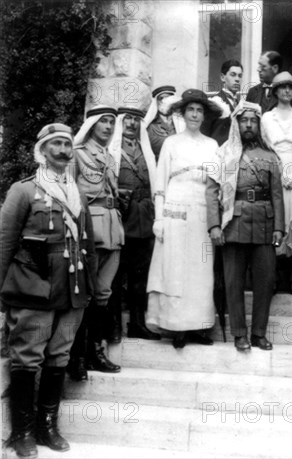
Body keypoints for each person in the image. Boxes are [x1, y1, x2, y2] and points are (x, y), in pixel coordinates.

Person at [1, 123, 97, 458]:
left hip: (73, 289)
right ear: (42, 150)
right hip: (34, 287)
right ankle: (22, 432)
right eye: (56, 144)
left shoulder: (77, 192)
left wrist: (92, 288)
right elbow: (5, 243)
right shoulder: (23, 191)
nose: (63, 150)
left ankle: (47, 426)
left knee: (59, 356)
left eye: (68, 145)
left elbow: (88, 244)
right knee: (27, 358)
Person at [206, 101, 285, 352]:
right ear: (236, 123)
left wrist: (279, 228)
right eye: (244, 120)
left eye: (253, 120)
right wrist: (214, 226)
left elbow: (277, 195)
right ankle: (239, 333)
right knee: (233, 281)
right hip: (234, 223)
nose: (248, 125)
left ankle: (259, 333)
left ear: (258, 124)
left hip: (264, 224)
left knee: (265, 281)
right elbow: (211, 193)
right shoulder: (223, 153)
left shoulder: (270, 156)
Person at [146, 89, 222, 349]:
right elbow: (160, 184)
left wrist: (215, 220)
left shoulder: (212, 145)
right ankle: (176, 326)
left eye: (200, 111)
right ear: (183, 112)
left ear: (204, 115)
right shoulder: (171, 143)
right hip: (175, 212)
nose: (195, 115)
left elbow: (216, 187)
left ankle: (199, 326)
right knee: (176, 269)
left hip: (201, 214)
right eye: (191, 109)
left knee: (200, 269)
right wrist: (158, 219)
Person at [67, 105, 123, 381]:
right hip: (88, 229)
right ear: (91, 124)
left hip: (112, 228)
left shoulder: (111, 158)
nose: (109, 127)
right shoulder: (77, 154)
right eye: (104, 122)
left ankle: (95, 351)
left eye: (112, 122)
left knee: (103, 294)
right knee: (84, 295)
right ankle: (76, 356)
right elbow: (67, 193)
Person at [106, 107, 161, 341]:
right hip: (121, 216)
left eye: (136, 120)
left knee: (141, 275)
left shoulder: (146, 151)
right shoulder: (112, 150)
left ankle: (138, 323)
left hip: (144, 217)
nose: (131, 123)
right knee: (115, 275)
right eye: (127, 119)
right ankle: (114, 325)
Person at [261, 71, 292, 295]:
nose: (287, 91)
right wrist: (278, 172)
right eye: (282, 87)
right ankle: (272, 276)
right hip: (273, 169)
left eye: (291, 88)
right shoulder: (266, 118)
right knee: (275, 221)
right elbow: (264, 148)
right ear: (275, 91)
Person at [202, 59, 244, 146]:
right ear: (222, 77)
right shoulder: (214, 102)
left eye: (240, 76)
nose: (237, 79)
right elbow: (204, 133)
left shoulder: (241, 104)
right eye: (233, 75)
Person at [145, 85, 178, 158]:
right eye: (161, 98)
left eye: (168, 98)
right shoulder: (150, 126)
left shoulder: (180, 124)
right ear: (156, 102)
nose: (164, 101)